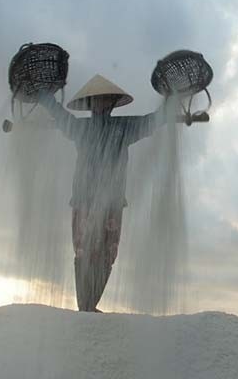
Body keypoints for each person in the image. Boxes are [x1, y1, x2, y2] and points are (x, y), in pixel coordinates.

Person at [38, 73, 184, 312]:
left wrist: (170, 103)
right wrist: (46, 99)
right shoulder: (79, 129)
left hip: (112, 203)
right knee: (84, 251)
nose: (101, 105)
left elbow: (153, 121)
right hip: (84, 200)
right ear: (89, 105)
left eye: (105, 101)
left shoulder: (123, 127)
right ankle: (85, 306)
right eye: (96, 101)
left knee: (107, 254)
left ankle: (90, 304)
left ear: (112, 104)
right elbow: (60, 116)